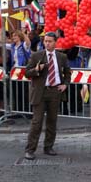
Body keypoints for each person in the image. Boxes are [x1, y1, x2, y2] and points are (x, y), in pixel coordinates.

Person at [23, 32, 71, 160]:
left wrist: (65, 84)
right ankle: (30, 149)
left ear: (55, 42)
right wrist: (37, 70)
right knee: (36, 122)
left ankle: (48, 146)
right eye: (45, 41)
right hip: (40, 92)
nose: (47, 43)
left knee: (52, 121)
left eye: (50, 41)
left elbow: (67, 72)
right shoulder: (37, 55)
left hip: (54, 91)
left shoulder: (61, 56)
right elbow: (27, 73)